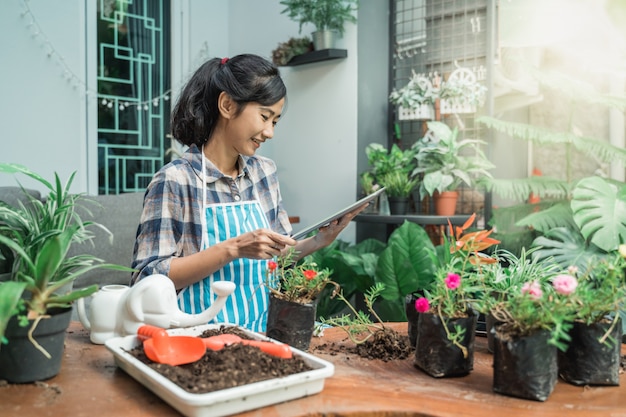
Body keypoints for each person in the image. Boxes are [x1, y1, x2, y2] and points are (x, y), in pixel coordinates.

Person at [131, 53, 365, 332]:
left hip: (265, 330)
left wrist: (319, 240)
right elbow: (147, 279)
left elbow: (277, 257)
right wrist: (233, 248)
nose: (269, 132)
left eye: (275, 121)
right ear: (227, 105)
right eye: (265, 116)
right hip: (198, 337)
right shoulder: (175, 180)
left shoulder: (264, 173)